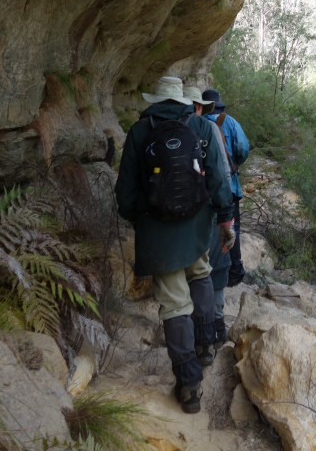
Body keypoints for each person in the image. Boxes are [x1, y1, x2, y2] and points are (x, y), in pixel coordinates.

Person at [115, 76, 235, 414]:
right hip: (197, 226)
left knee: (173, 304)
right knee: (200, 276)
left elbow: (125, 194)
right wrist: (226, 220)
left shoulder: (140, 131)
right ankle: (206, 346)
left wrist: (141, 218)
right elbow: (217, 180)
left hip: (157, 230)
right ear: (182, 100)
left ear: (156, 100)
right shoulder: (199, 125)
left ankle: (189, 384)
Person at [202, 87, 250, 347]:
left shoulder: (195, 123)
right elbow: (243, 148)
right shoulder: (228, 122)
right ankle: (234, 268)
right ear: (219, 106)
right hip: (229, 189)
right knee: (232, 229)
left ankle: (204, 273)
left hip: (201, 194)